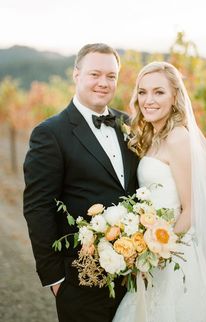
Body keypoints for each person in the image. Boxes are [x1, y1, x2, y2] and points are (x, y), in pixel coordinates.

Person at [112, 61, 206, 322]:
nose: (149, 100)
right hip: (151, 252)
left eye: (159, 92)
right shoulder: (151, 137)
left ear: (175, 97)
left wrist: (157, 251)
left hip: (172, 256)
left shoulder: (178, 137)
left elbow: (191, 209)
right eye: (143, 92)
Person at [23, 43, 138, 322]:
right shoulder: (50, 133)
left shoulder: (131, 125)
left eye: (111, 76)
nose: (103, 82)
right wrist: (55, 279)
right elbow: (38, 207)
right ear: (76, 75)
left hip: (135, 277)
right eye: (94, 74)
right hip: (80, 280)